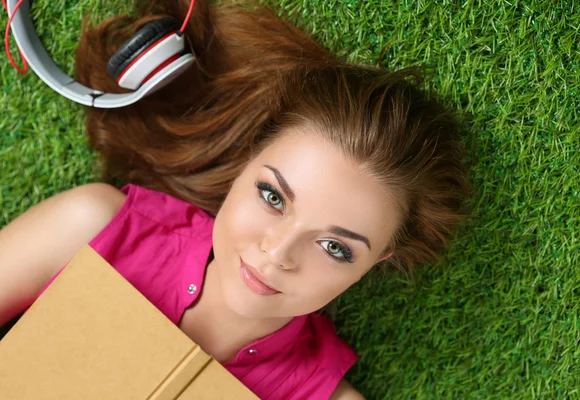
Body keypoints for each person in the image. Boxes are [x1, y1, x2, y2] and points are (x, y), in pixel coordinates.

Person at [0, 0, 470, 398]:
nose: (277, 253)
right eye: (272, 196)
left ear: (378, 261)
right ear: (248, 159)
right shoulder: (93, 228)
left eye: (335, 247)